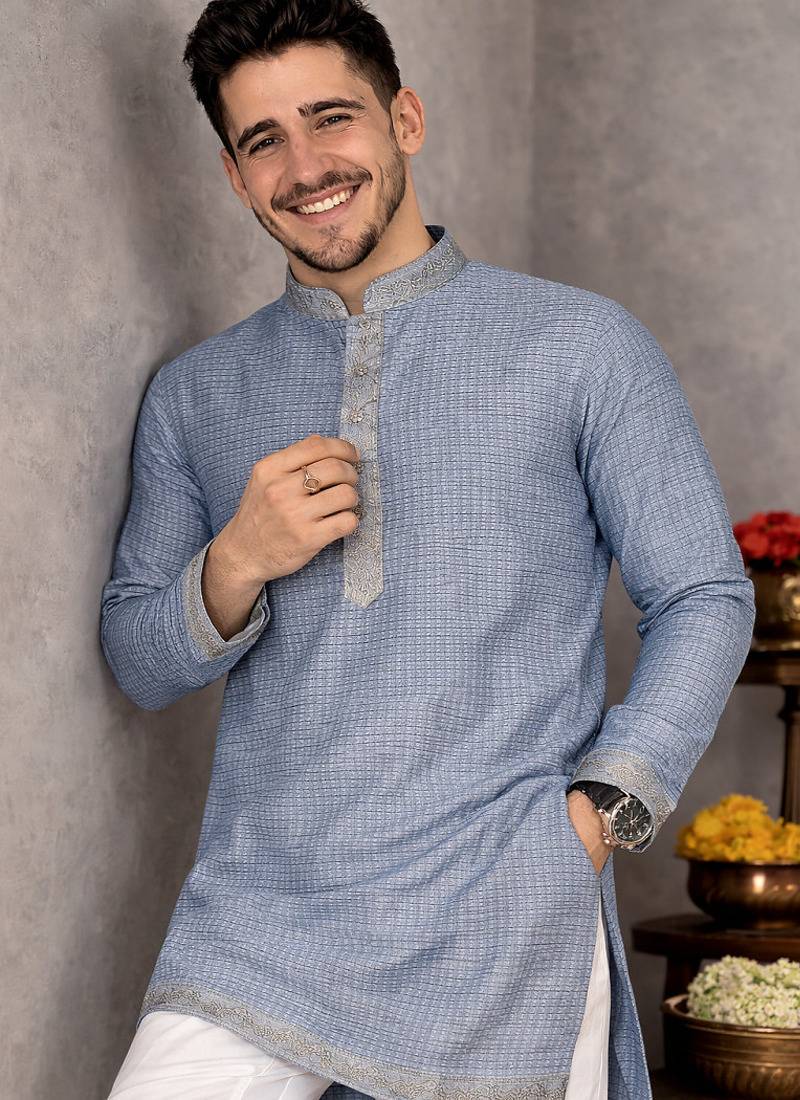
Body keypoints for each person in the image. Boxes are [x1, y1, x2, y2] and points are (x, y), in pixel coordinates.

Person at [100, 1, 756, 1098]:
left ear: (403, 118)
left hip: (507, 898)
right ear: (234, 176)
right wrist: (239, 557)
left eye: (332, 118)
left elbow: (702, 594)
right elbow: (138, 657)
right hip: (262, 916)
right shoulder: (195, 394)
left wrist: (598, 812)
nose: (305, 167)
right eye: (264, 140)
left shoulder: (581, 346)